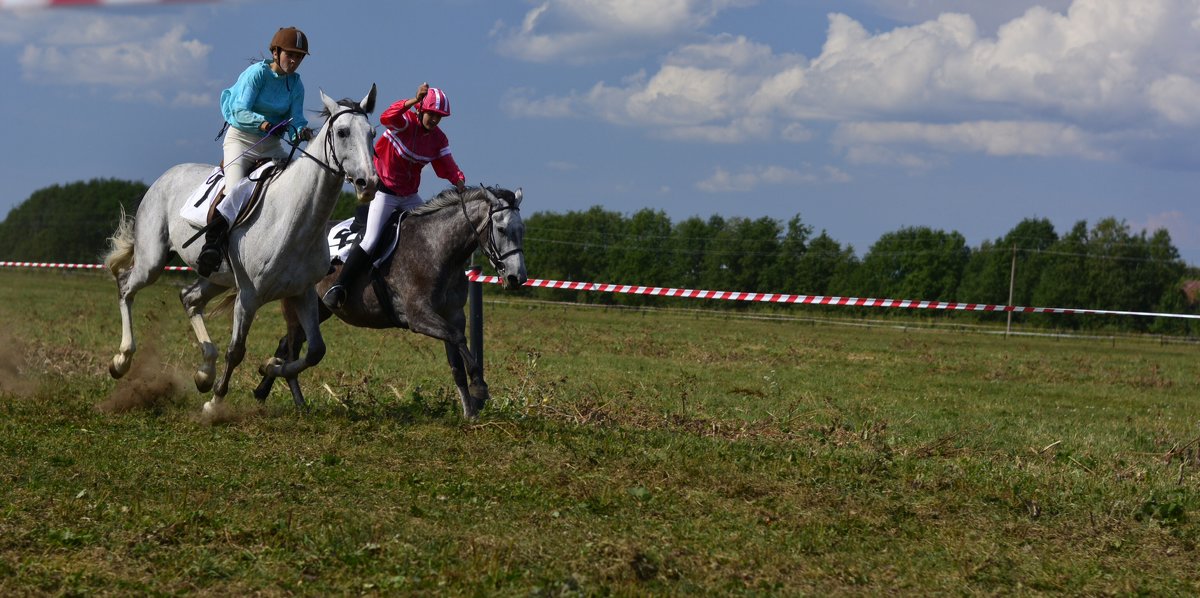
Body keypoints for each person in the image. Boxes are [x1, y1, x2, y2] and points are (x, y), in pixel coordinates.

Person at [322, 83, 466, 308]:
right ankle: (339, 286)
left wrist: (459, 181)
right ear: (421, 109)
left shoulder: (439, 139)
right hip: (385, 193)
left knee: (429, 233)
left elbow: (446, 164)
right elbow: (387, 116)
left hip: (409, 196)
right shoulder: (404, 121)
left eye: (440, 116)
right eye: (432, 114)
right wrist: (413, 100)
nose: (435, 120)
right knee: (370, 240)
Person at [197, 26, 315, 277]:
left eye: (299, 57)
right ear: (276, 52)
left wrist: (301, 132)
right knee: (235, 190)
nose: (294, 61)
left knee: (297, 183)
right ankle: (212, 247)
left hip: (271, 144)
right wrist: (263, 124)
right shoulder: (256, 74)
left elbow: (296, 120)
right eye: (290, 55)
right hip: (241, 140)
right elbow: (240, 110)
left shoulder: (296, 84)